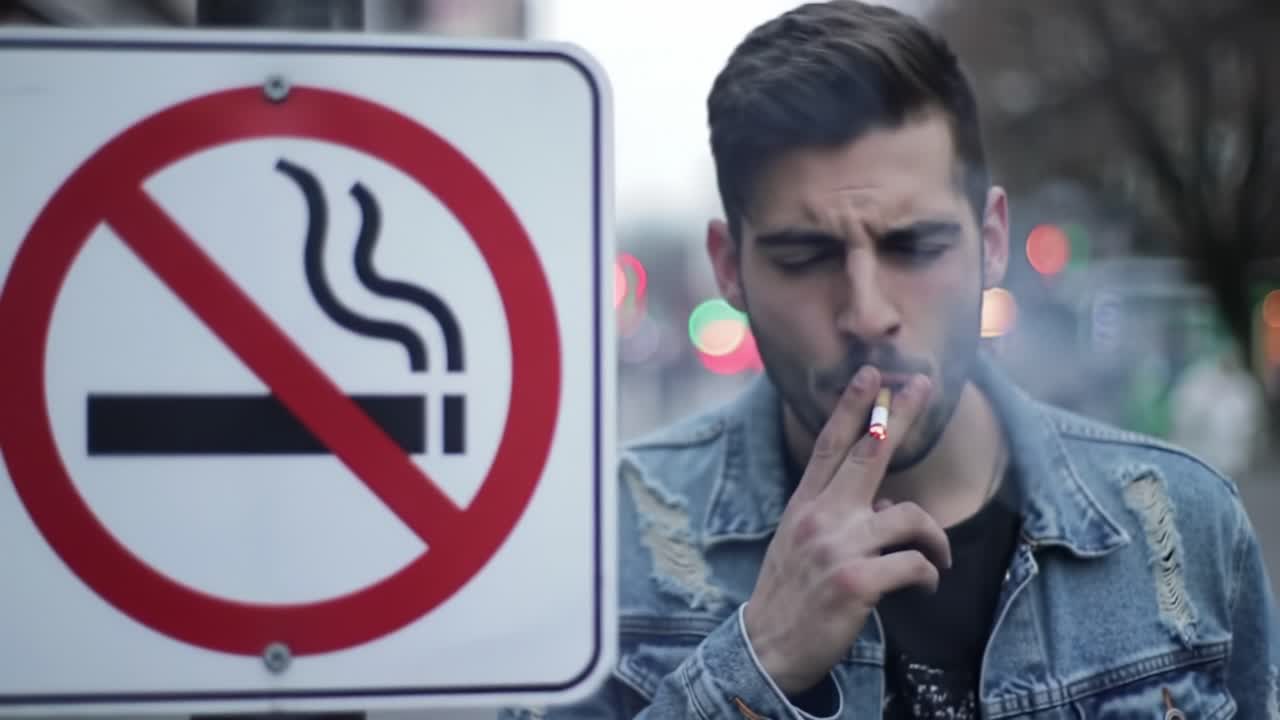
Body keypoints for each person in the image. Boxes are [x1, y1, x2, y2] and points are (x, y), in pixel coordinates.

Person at [504, 1, 1280, 717]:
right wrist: (759, 660)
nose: (868, 310)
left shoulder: (1182, 523)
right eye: (806, 255)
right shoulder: (606, 546)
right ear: (730, 266)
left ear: (994, 240)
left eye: (915, 245)